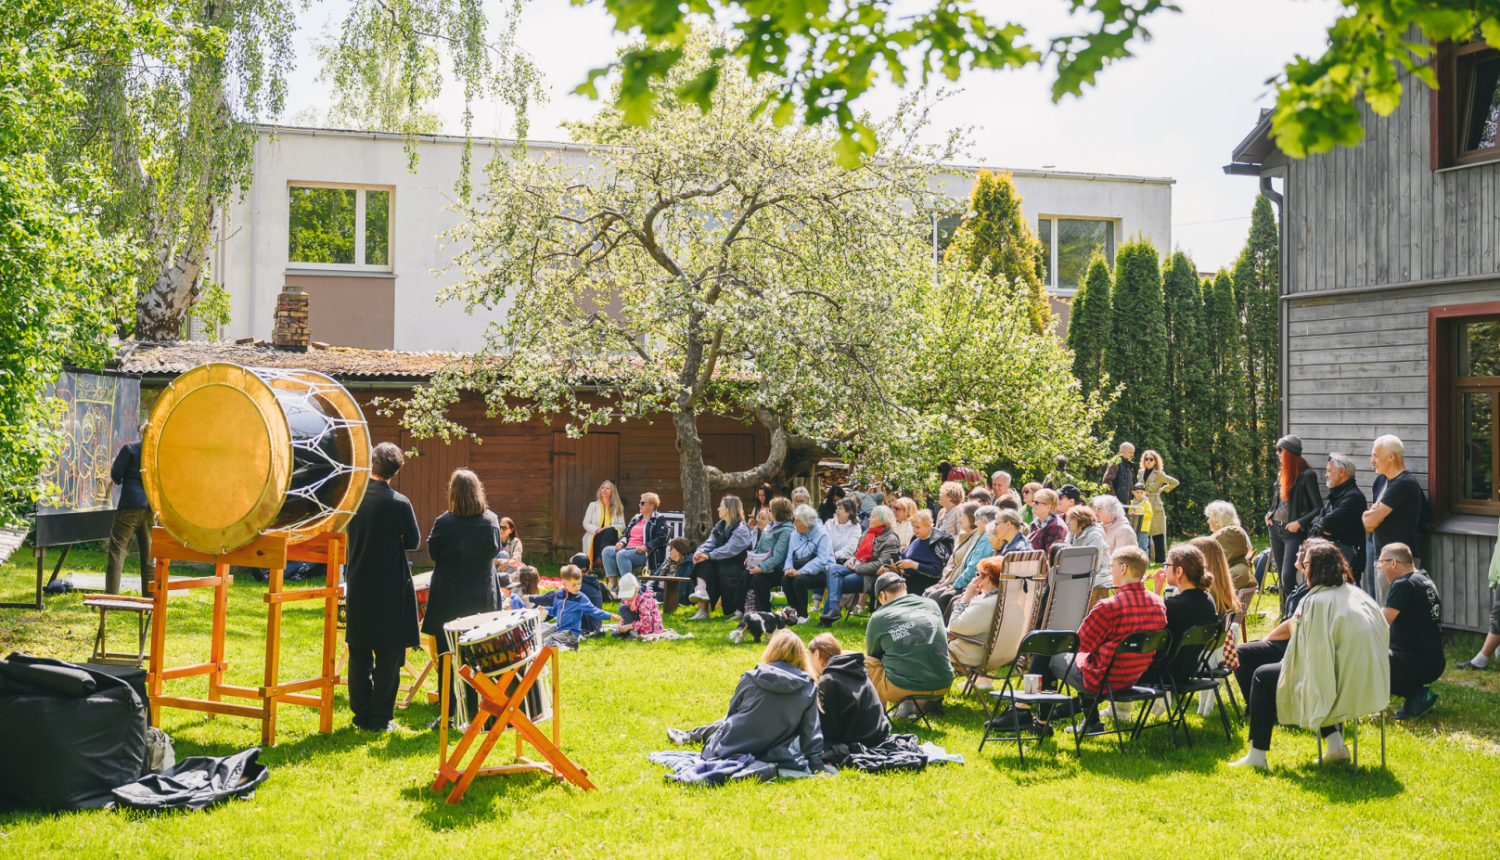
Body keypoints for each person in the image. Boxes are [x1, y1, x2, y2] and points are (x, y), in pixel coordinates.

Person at [1229, 542, 1389, 770]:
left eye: (1305, 565)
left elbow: (1313, 649)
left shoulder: (1316, 600)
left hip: (1341, 683)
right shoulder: (1358, 594)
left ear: (1316, 568)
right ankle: (1336, 745)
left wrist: (1289, 663)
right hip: (1373, 681)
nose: (1303, 570)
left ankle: (1257, 755)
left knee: (1262, 675)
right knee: (1318, 675)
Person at [1019, 546, 1167, 736]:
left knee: (1046, 652)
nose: (1109, 570)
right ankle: (1090, 721)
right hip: (1131, 676)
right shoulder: (1158, 603)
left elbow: (1079, 646)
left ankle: (1037, 719)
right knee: (1089, 659)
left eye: (1112, 566)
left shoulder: (1109, 607)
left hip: (1101, 679)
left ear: (1123, 569)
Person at [343, 442, 422, 732]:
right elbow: (413, 542)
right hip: (389, 584)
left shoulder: (354, 498)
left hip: (359, 580)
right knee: (388, 653)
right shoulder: (399, 502)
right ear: (396, 470)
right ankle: (379, 718)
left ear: (371, 464)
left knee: (359, 649)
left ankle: (361, 713)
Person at [674, 629, 826, 772]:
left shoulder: (751, 677)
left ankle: (689, 736)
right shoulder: (808, 686)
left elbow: (730, 717)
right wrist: (817, 767)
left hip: (729, 748)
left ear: (772, 651)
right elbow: (811, 732)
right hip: (773, 755)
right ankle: (690, 735)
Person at [422, 469, 503, 727]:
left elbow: (433, 552)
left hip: (450, 596)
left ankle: (449, 713)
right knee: (482, 655)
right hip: (483, 596)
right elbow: (494, 550)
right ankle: (483, 709)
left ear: (453, 493)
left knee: (448, 656)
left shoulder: (445, 522)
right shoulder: (491, 519)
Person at [865, 571, 953, 717]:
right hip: (942, 683)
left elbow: (874, 655)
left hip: (904, 687)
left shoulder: (879, 616)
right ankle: (912, 709)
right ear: (905, 588)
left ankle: (879, 716)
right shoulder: (932, 604)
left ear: (883, 596)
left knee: (865, 663)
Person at [1378, 543, 1444, 720]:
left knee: (1367, 658)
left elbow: (1381, 622)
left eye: (1381, 562)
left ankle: (1417, 695)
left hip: (1415, 661)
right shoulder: (1423, 578)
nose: (1378, 567)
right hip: (1432, 660)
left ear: (1393, 563)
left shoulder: (1403, 584)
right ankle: (1417, 695)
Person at [1144, 544, 1221, 685]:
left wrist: (1156, 590)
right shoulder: (1208, 600)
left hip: (1159, 674)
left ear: (1178, 571)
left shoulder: (1173, 606)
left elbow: (1146, 629)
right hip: (1187, 671)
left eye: (1167, 565)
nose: (1165, 570)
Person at [1363, 435, 1427, 601]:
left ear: (1390, 456)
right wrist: (1372, 516)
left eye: (1375, 455)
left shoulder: (1403, 483)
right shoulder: (1382, 482)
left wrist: (1369, 515)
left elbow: (1369, 521)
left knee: (1390, 618)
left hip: (1397, 562)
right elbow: (1369, 525)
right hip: (1382, 557)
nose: (1371, 460)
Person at [1264, 435, 1322, 613]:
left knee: (1288, 576)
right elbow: (1278, 502)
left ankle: (1297, 613)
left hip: (1292, 532)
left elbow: (1318, 507)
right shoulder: (1282, 472)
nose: (1277, 453)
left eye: (1280, 450)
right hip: (1275, 529)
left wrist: (1299, 523)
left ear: (1289, 452)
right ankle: (1285, 614)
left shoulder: (1306, 475)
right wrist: (1269, 514)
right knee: (1282, 580)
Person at [818, 504, 901, 626]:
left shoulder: (891, 538)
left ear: (882, 520)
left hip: (870, 575)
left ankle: (827, 619)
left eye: (872, 517)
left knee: (835, 581)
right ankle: (834, 609)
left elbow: (881, 564)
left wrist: (857, 567)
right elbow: (857, 552)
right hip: (856, 567)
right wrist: (851, 559)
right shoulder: (868, 532)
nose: (869, 519)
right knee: (833, 569)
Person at [808, 633, 891, 748]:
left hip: (856, 740)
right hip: (878, 736)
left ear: (816, 654)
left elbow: (828, 730)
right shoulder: (857, 670)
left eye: (809, 657)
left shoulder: (829, 681)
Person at [690, 495, 754, 621]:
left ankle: (738, 612)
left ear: (729, 509)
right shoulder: (720, 525)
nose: (718, 509)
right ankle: (701, 600)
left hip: (737, 567)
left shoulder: (741, 529)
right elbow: (710, 542)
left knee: (706, 560)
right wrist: (700, 551)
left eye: (721, 506)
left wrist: (708, 556)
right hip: (722, 564)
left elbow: (729, 549)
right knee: (702, 564)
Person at [106, 427, 152, 596]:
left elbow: (116, 473)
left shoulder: (130, 448)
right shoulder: (158, 453)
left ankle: (111, 596)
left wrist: (117, 479)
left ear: (142, 432)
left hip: (129, 506)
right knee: (149, 557)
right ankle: (150, 598)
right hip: (150, 508)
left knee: (117, 551)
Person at [1309, 453, 1368, 580]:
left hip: (1347, 563)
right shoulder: (1335, 495)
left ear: (1342, 472)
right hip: (1332, 561)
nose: (1326, 475)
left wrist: (1324, 527)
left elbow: (1328, 524)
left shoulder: (1354, 497)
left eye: (1329, 471)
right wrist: (1324, 529)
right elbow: (1314, 525)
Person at [947, 557, 1006, 680]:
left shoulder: (987, 605)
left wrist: (966, 598)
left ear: (988, 579)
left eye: (979, 575)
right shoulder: (1007, 600)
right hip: (1002, 654)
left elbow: (954, 626)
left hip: (971, 653)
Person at [539, 564, 619, 650]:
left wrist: (609, 616)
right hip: (558, 628)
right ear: (564, 584)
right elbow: (555, 611)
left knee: (546, 642)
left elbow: (594, 611)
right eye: (574, 585)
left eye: (579, 583)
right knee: (538, 639)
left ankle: (571, 644)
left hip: (571, 633)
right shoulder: (558, 595)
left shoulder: (580, 598)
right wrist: (545, 609)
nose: (577, 587)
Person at [603, 492, 669, 591]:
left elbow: (662, 537)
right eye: (639, 502)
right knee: (607, 551)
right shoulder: (636, 518)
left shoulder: (658, 519)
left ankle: (628, 588)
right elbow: (626, 534)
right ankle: (614, 586)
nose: (639, 505)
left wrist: (645, 546)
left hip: (645, 552)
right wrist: (622, 542)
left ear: (651, 506)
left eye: (642, 503)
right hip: (627, 549)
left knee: (622, 555)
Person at [782, 504, 834, 621]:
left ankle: (803, 614)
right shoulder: (794, 534)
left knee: (799, 580)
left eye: (797, 520)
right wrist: (788, 569)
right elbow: (790, 555)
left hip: (823, 572)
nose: (794, 523)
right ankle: (793, 612)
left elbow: (821, 561)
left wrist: (800, 572)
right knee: (785, 580)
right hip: (800, 570)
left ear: (806, 523)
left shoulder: (822, 535)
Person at [923, 501, 982, 598]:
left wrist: (949, 583)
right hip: (949, 580)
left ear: (971, 517)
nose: (958, 520)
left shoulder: (977, 536)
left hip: (959, 582)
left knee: (934, 596)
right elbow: (952, 561)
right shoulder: (962, 535)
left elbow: (965, 566)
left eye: (960, 516)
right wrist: (944, 580)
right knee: (926, 593)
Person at [1206, 500, 1257, 611]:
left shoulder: (1230, 536)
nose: (1208, 521)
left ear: (1218, 520)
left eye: (1210, 517)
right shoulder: (1236, 533)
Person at [748, 497, 795, 613]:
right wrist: (751, 559)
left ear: (777, 512)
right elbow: (759, 547)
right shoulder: (769, 526)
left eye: (771, 509)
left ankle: (763, 612)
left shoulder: (786, 530)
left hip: (779, 567)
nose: (769, 511)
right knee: (745, 573)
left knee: (759, 578)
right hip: (767, 564)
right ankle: (740, 609)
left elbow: (778, 557)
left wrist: (761, 567)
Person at [893, 509, 952, 596]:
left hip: (922, 584)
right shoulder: (916, 538)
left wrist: (913, 565)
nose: (914, 530)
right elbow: (906, 555)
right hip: (905, 577)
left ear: (928, 525)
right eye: (913, 526)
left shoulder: (937, 543)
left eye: (918, 527)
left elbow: (937, 572)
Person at [1138, 450, 1181, 564]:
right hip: (1142, 504)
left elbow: (1175, 482)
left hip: (1155, 504)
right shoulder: (1140, 473)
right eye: (1146, 459)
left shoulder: (1159, 474)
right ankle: (1144, 560)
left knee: (1158, 533)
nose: (1148, 461)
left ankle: (1160, 560)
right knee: (1142, 532)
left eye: (1151, 459)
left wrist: (1163, 489)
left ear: (1155, 461)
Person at [1065, 506, 1112, 605]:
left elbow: (1093, 565)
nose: (1067, 522)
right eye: (1067, 519)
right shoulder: (1071, 534)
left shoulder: (1095, 536)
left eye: (1071, 520)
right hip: (1077, 572)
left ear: (1082, 523)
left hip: (1098, 575)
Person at [582, 480, 625, 566]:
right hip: (596, 535)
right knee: (607, 533)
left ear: (612, 492)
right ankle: (601, 558)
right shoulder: (593, 505)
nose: (604, 490)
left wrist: (609, 527)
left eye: (607, 488)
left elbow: (622, 525)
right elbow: (586, 523)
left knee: (610, 532)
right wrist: (597, 530)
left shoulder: (617, 507)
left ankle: (601, 557)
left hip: (611, 536)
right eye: (603, 488)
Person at [613, 573, 663, 639]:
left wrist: (629, 626)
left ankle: (633, 633)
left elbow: (646, 623)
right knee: (614, 634)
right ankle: (631, 632)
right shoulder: (627, 599)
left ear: (636, 589)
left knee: (620, 634)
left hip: (650, 629)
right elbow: (626, 616)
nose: (627, 599)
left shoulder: (645, 601)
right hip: (636, 623)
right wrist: (620, 626)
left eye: (629, 596)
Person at [1091, 494, 1137, 558]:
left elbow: (1118, 558)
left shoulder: (1124, 530)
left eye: (1099, 509)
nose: (1095, 513)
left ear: (1110, 511)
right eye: (1096, 509)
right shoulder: (1100, 526)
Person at [1027, 488, 1068, 558]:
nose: (1032, 504)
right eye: (1033, 501)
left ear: (1048, 507)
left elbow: (1050, 558)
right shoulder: (1034, 524)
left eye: (1036, 502)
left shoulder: (1056, 527)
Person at [494, 517, 538, 582]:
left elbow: (516, 559)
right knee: (503, 554)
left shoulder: (516, 542)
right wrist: (500, 560)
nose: (501, 530)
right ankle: (506, 580)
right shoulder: (493, 541)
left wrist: (506, 562)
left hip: (513, 571)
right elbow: (489, 560)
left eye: (504, 528)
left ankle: (505, 580)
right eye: (499, 527)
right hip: (497, 570)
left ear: (511, 530)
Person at [655, 536, 696, 605]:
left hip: (676, 596)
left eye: (671, 548)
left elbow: (690, 587)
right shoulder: (667, 561)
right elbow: (654, 577)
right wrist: (648, 589)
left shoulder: (690, 564)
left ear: (678, 551)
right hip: (660, 591)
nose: (669, 550)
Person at [825, 497, 863, 565]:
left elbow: (851, 548)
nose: (837, 511)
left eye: (840, 509)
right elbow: (823, 541)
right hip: (826, 557)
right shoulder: (829, 523)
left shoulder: (856, 527)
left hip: (845, 561)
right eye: (837, 508)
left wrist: (835, 555)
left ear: (848, 512)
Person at [1131, 483, 1151, 551]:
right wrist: (1131, 514)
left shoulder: (1146, 503)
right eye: (1137, 492)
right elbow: (1129, 512)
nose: (1139, 494)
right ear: (1133, 492)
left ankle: (1145, 561)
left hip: (1143, 528)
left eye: (1141, 492)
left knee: (1143, 547)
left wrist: (1139, 514)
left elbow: (1149, 514)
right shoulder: (1132, 502)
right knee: (1134, 546)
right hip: (1134, 527)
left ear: (1144, 493)